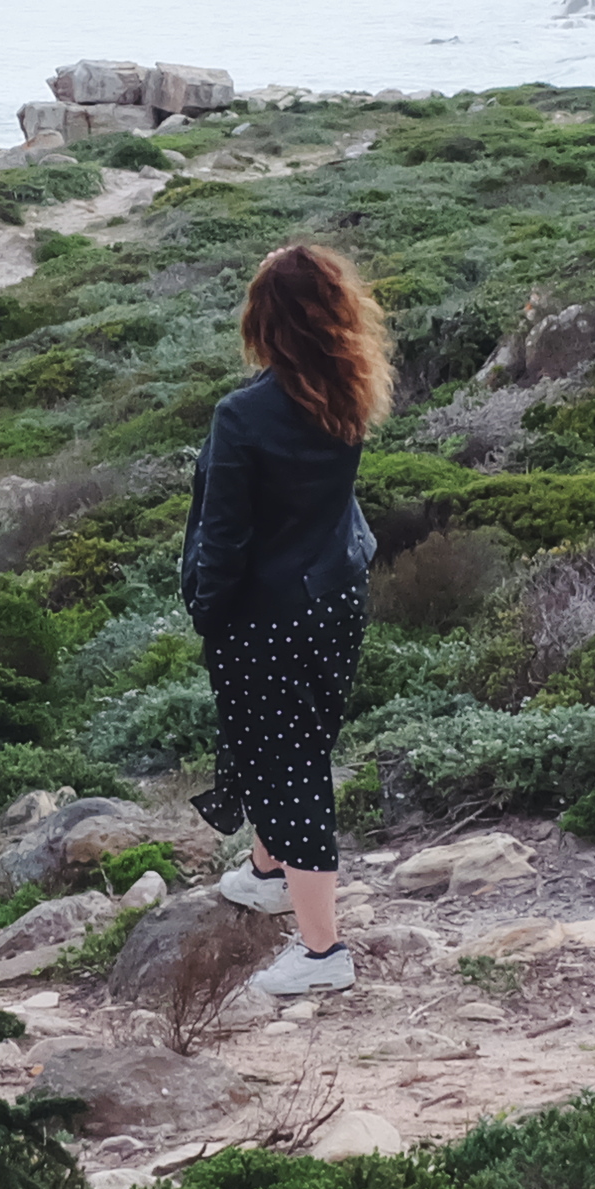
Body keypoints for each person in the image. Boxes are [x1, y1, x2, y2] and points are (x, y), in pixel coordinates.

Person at [179, 238, 391, 996]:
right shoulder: (349, 391)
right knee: (295, 741)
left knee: (290, 761)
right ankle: (269, 870)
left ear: (265, 321)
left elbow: (226, 537)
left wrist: (207, 610)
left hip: (265, 612)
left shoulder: (243, 416)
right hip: (333, 597)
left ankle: (323, 953)